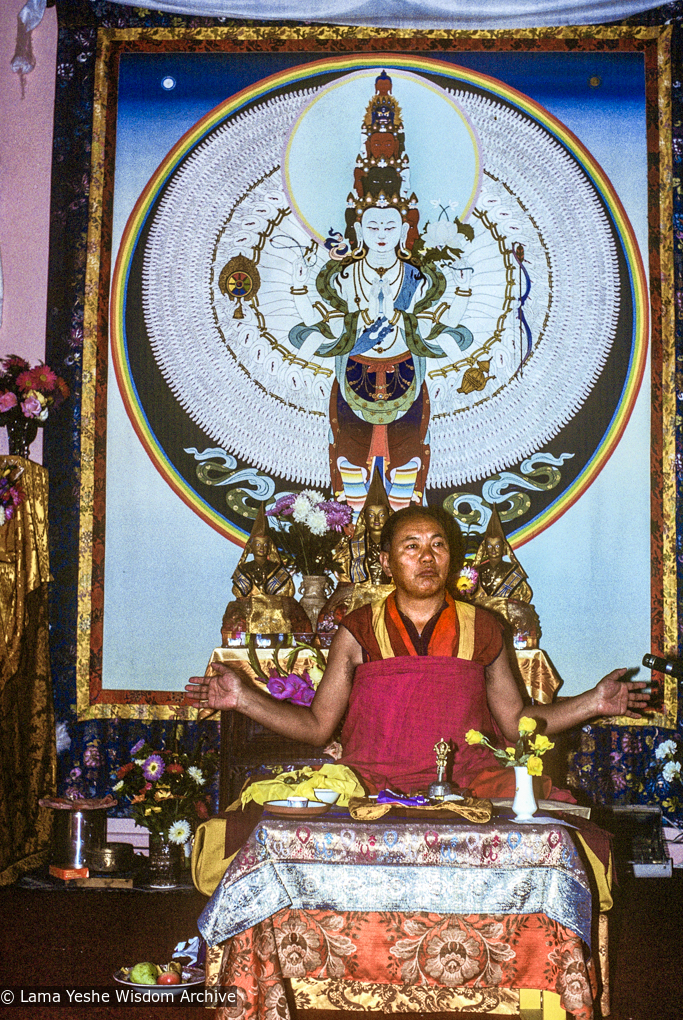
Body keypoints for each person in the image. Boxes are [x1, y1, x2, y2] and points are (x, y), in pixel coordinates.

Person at [187, 506, 649, 798]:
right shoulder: (358, 630)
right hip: (371, 783)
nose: (427, 557)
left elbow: (515, 723)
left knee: (555, 828)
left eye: (437, 546)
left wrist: (594, 702)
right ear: (386, 561)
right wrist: (242, 698)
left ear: (451, 558)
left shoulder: (484, 627)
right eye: (412, 546)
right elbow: (317, 727)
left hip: (471, 784)